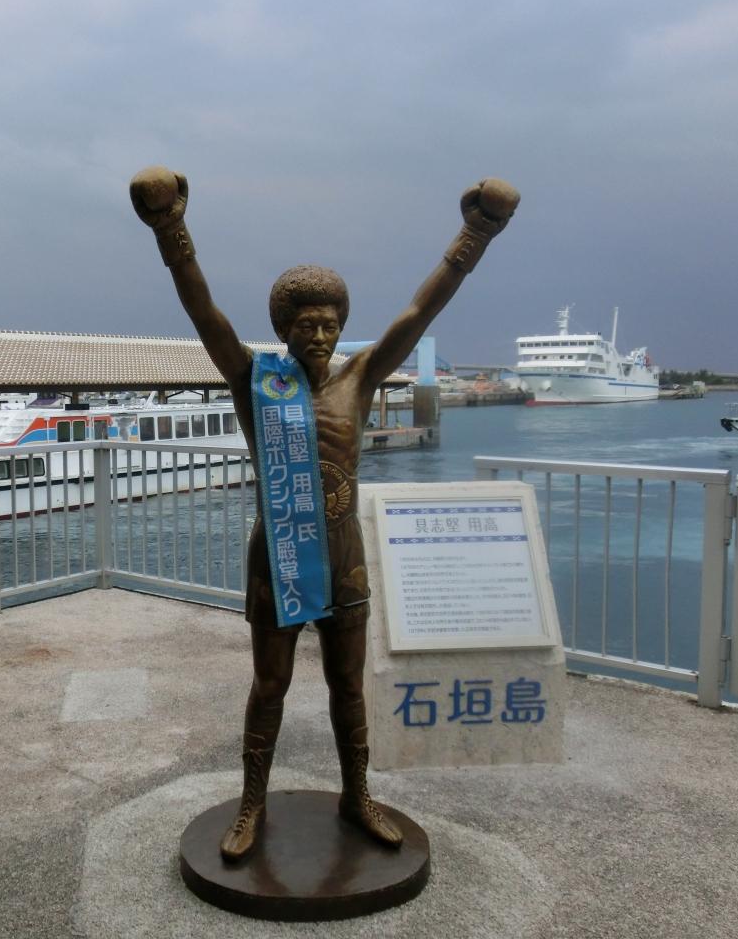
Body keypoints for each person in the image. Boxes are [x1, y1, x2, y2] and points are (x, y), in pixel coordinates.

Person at [130, 166, 517, 860]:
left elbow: (420, 312)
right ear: (283, 329)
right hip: (277, 555)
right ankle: (252, 804)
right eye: (306, 324)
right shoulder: (256, 381)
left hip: (344, 558)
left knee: (348, 686)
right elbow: (203, 311)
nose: (319, 334)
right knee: (270, 685)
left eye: (330, 324)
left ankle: (356, 794)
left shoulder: (359, 380)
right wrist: (170, 228)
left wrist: (476, 234)